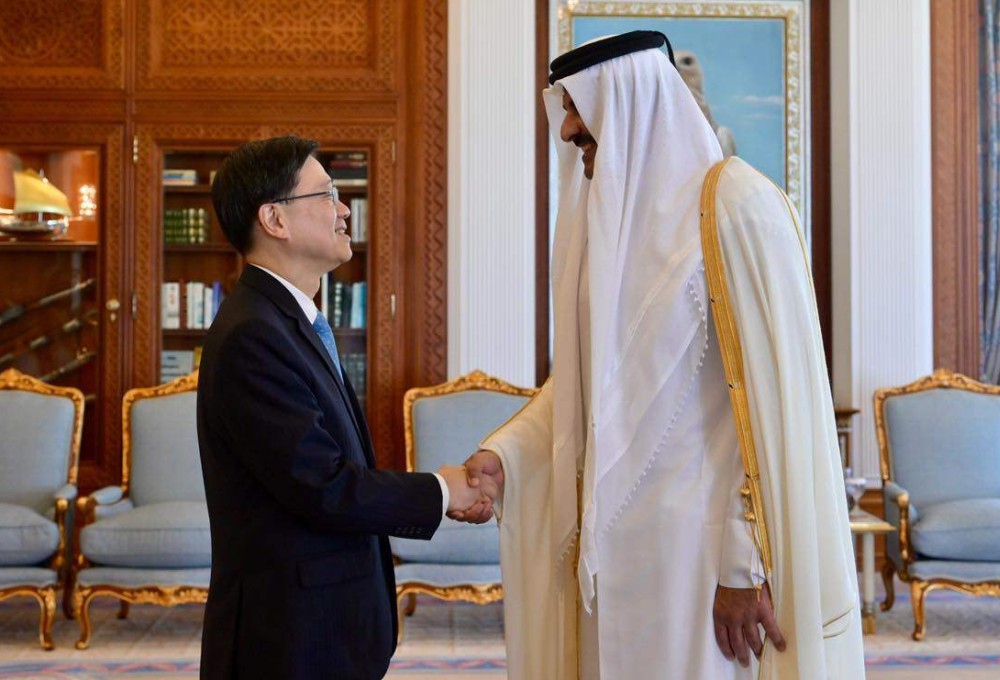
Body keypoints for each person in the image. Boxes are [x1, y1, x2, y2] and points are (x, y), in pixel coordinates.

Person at [453, 32, 864, 679]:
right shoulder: (600, 229)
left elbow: (767, 411)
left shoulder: (737, 208)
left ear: (632, 107)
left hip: (698, 563)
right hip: (610, 555)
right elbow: (592, 385)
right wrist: (506, 454)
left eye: (581, 124)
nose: (566, 133)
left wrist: (742, 567)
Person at [196, 136, 487, 680]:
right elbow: (322, 485)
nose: (344, 209)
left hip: (324, 625)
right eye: (327, 194)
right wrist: (442, 491)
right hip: (288, 639)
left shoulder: (286, 322)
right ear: (275, 219)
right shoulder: (253, 335)